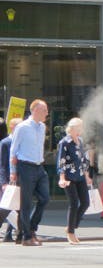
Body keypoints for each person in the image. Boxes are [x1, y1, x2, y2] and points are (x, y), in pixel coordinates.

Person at [9, 99, 50, 246]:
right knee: (25, 204)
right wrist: (13, 172)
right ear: (35, 110)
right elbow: (13, 150)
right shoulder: (22, 127)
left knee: (45, 198)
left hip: (39, 167)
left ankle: (31, 228)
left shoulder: (42, 127)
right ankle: (26, 237)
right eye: (44, 110)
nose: (47, 113)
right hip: (25, 166)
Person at [57, 117, 92, 244]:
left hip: (80, 175)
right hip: (69, 176)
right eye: (79, 128)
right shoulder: (64, 142)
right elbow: (61, 161)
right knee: (73, 202)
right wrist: (62, 177)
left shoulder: (81, 141)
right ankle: (71, 232)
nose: (81, 130)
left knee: (85, 202)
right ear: (72, 129)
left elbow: (84, 159)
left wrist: (87, 175)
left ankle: (71, 226)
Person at [0, 117, 22, 242]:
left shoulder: (21, 142)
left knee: (18, 208)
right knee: (6, 207)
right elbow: (3, 164)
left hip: (20, 179)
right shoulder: (5, 143)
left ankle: (17, 234)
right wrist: (3, 182)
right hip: (8, 180)